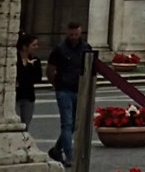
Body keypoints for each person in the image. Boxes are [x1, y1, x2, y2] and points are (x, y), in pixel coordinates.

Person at [45, 21, 91, 164]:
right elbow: (50, 69)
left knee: (74, 124)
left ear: (80, 32)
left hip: (79, 89)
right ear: (67, 33)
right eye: (71, 34)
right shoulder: (59, 49)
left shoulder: (86, 47)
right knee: (67, 123)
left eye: (76, 34)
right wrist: (56, 84)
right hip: (64, 89)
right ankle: (69, 155)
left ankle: (57, 149)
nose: (74, 37)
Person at [15, 33, 42, 132]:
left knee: (26, 123)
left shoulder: (35, 60)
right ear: (24, 46)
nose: (36, 47)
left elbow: (37, 78)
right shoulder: (14, 59)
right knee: (15, 122)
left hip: (28, 95)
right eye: (33, 45)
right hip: (16, 95)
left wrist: (31, 67)